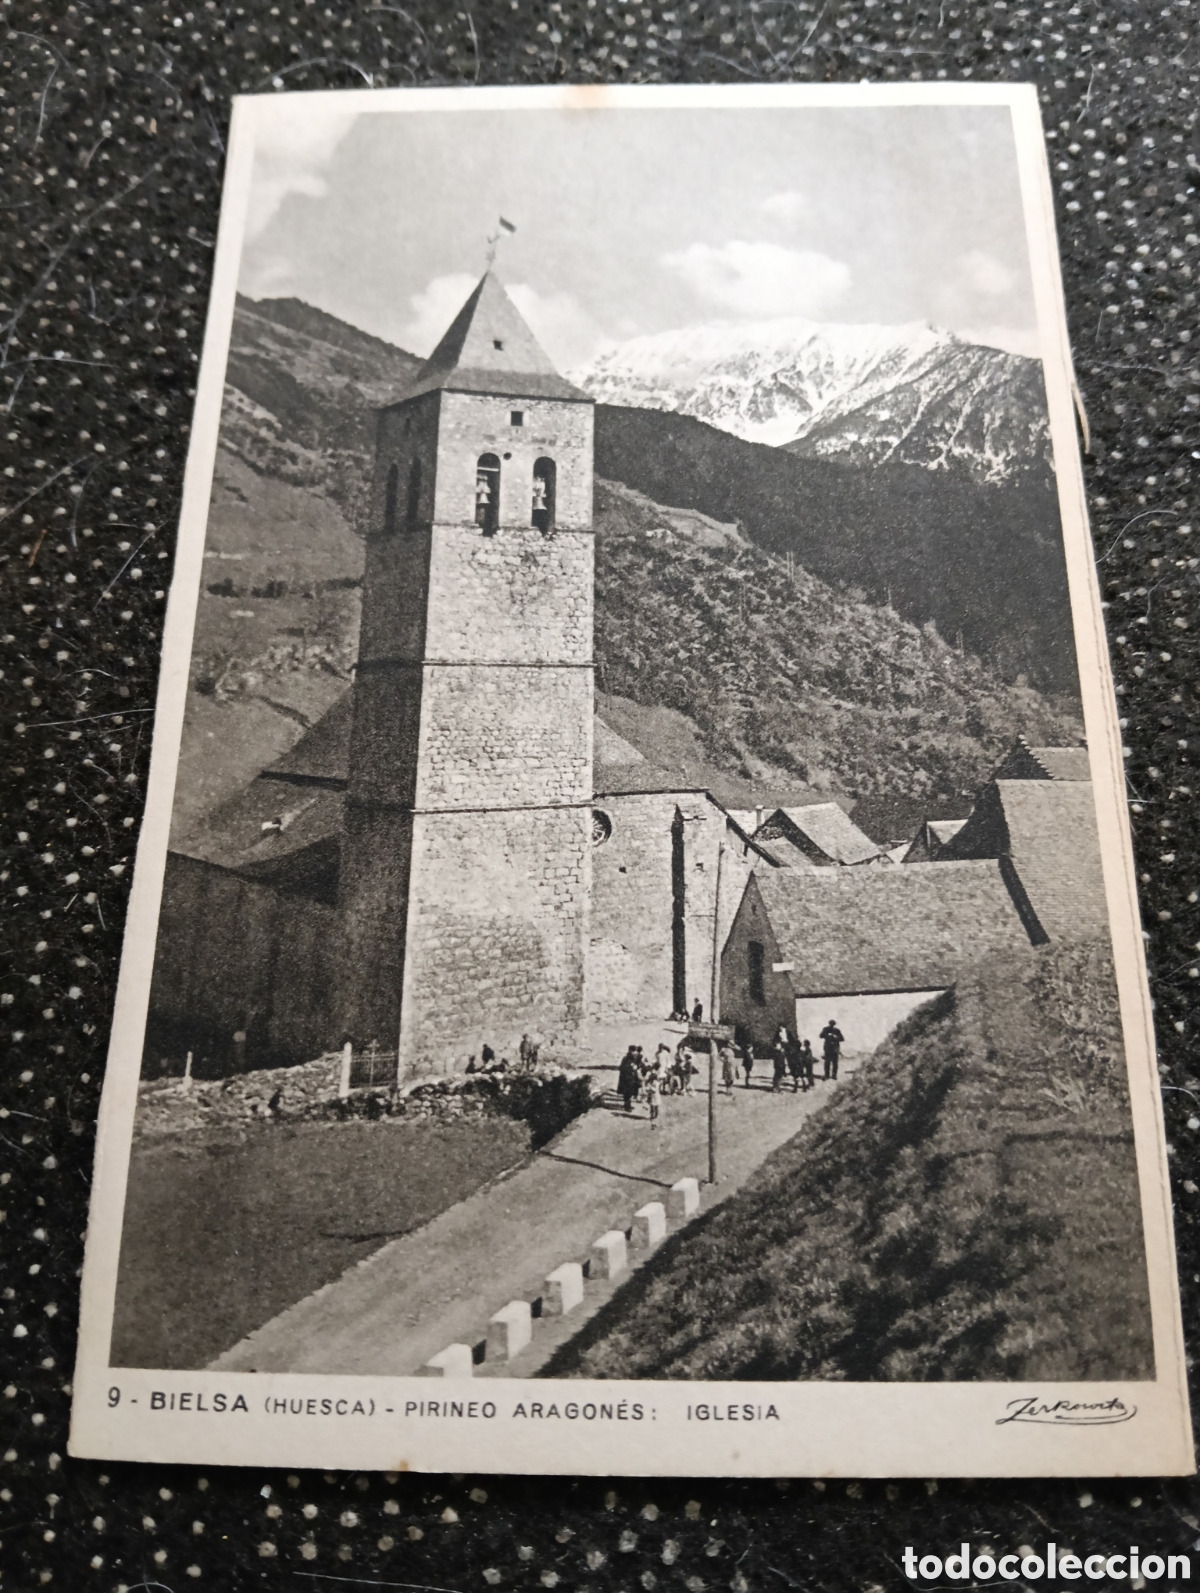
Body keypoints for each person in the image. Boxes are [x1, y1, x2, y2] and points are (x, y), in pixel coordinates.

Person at [617, 1046, 641, 1113]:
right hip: (627, 1079)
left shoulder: (633, 1058)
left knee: (629, 1093)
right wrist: (631, 1067)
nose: (634, 1052)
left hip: (631, 1079)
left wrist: (636, 1067)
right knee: (627, 1093)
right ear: (630, 1051)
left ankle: (627, 1105)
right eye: (633, 1051)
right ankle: (627, 1106)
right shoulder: (626, 1059)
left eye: (634, 1051)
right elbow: (622, 1068)